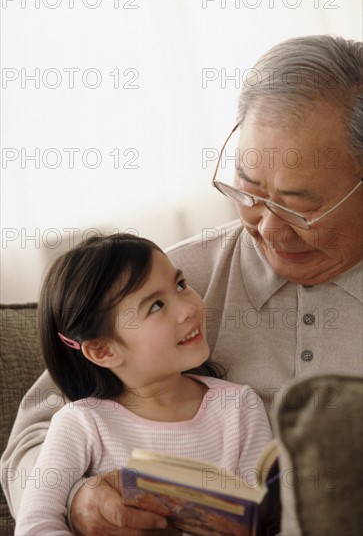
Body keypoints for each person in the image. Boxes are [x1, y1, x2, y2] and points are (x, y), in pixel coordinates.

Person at [1, 34, 362, 535]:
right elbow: (32, 438)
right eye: (249, 192)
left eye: (300, 208)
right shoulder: (169, 278)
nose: (267, 230)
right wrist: (80, 500)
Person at [12, 233, 272, 535]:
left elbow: (264, 518)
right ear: (103, 350)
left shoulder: (239, 405)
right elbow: (36, 525)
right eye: (156, 306)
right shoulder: (82, 424)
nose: (187, 309)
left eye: (180, 285)